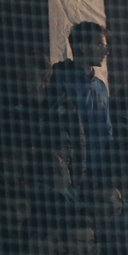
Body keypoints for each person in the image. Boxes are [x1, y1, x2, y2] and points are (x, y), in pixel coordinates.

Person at [48, 21, 112, 177]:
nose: (106, 51)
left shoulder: (101, 86)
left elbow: (107, 130)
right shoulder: (59, 80)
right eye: (99, 45)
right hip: (73, 171)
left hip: (101, 173)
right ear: (82, 46)